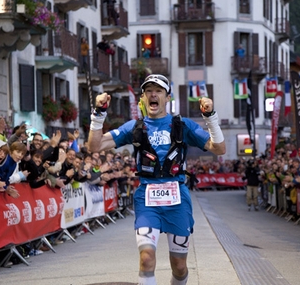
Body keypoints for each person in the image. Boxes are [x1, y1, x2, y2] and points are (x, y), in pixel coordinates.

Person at [88, 74, 225, 285]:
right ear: (142, 98)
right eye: (148, 91)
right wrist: (98, 114)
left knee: (179, 267)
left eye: (158, 91)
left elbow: (219, 149)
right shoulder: (134, 127)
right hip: (147, 198)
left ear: (167, 97)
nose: (153, 95)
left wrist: (211, 117)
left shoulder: (182, 125)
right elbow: (94, 147)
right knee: (146, 259)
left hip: (177, 198)